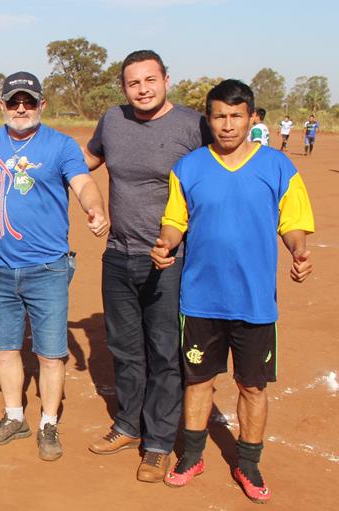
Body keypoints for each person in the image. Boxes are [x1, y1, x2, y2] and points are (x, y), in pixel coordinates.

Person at [151, 79, 314, 504]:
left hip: (255, 302)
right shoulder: (188, 168)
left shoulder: (279, 167)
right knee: (198, 380)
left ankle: (248, 462)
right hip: (201, 299)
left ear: (252, 119)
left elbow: (292, 223)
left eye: (236, 116)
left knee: (253, 387)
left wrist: (299, 250)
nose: (227, 125)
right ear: (208, 119)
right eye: (219, 116)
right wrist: (165, 242)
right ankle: (192, 456)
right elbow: (175, 220)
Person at [0, 72, 109, 461]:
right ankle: (15, 417)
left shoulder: (61, 146)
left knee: (49, 354)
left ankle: (47, 422)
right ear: (3, 106)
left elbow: (83, 183)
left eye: (29, 101)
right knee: (6, 349)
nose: (21, 108)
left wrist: (95, 209)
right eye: (14, 102)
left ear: (42, 104)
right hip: (0, 267)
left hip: (47, 268)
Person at [82, 50, 212, 482]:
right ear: (124, 87)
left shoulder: (193, 125)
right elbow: (84, 161)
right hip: (118, 256)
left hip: (169, 260)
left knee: (164, 352)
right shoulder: (113, 121)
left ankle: (157, 443)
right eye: (134, 83)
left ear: (166, 80)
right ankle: (127, 425)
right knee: (123, 349)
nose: (143, 89)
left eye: (150, 80)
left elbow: (220, 172)